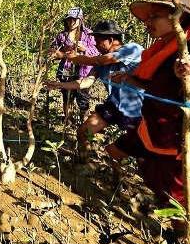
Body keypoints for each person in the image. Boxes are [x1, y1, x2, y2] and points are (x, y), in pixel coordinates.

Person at [107, 0, 190, 208]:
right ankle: (122, 189)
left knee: (175, 202)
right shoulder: (163, 50)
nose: (147, 22)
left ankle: (182, 240)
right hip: (150, 128)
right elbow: (159, 88)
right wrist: (130, 79)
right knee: (114, 152)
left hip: (177, 140)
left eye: (154, 16)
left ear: (178, 17)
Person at [46, 20, 144, 162]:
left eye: (98, 41)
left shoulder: (131, 49)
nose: (96, 45)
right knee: (83, 132)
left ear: (110, 40)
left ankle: (120, 176)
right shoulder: (100, 61)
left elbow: (103, 60)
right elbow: (85, 82)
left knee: (133, 152)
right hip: (114, 105)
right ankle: (85, 163)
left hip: (138, 110)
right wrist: (58, 85)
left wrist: (70, 57)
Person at [49, 7, 99, 123]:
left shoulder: (88, 35)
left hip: (84, 70)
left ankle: (85, 122)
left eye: (74, 20)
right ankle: (68, 119)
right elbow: (54, 50)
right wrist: (55, 55)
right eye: (69, 20)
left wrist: (84, 49)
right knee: (67, 96)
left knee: (83, 96)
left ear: (80, 20)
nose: (71, 22)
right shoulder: (62, 36)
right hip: (67, 69)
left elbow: (96, 51)